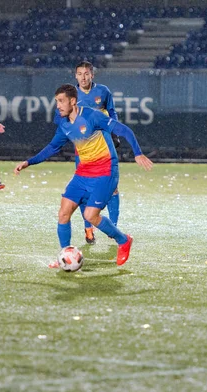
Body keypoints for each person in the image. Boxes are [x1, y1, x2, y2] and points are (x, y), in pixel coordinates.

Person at [15, 84, 153, 267]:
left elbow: (125, 130)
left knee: (90, 215)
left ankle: (124, 240)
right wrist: (29, 162)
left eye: (61, 101)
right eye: (56, 102)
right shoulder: (64, 123)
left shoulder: (92, 116)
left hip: (106, 171)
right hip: (83, 172)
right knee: (63, 213)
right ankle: (66, 254)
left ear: (73, 101)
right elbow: (52, 147)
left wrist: (137, 153)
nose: (58, 106)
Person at [54, 61, 122, 245]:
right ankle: (88, 228)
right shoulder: (72, 97)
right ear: (75, 76)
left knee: (113, 188)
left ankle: (112, 227)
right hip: (83, 149)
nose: (83, 77)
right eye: (80, 74)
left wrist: (113, 132)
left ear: (92, 75)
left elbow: (112, 113)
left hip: (103, 144)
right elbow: (59, 119)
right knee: (84, 190)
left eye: (86, 74)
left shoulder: (103, 92)